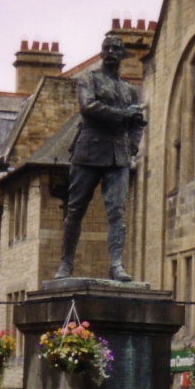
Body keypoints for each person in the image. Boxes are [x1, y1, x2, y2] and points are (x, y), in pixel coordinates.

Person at [54, 34, 146, 282]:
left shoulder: (129, 90)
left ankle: (116, 264)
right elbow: (88, 107)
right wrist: (123, 116)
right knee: (75, 210)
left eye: (117, 48)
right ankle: (66, 264)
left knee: (117, 212)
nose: (112, 52)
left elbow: (138, 123)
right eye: (107, 48)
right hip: (89, 151)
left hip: (119, 156)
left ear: (122, 54)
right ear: (102, 52)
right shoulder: (88, 79)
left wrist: (133, 147)